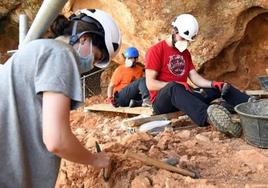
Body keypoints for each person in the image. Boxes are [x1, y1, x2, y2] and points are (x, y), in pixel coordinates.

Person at [0, 9, 121, 187]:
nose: (91, 66)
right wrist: (95, 160)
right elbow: (57, 140)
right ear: (84, 38)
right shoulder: (61, 54)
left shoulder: (39, 50)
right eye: (95, 57)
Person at [145, 13, 251, 138]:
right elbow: (150, 84)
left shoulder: (185, 53)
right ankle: (212, 119)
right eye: (183, 39)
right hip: (162, 102)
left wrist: (213, 84)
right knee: (174, 87)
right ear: (174, 31)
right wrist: (175, 85)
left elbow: (195, 77)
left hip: (184, 97)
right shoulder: (156, 51)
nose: (185, 43)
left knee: (222, 87)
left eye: (187, 40)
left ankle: (251, 106)